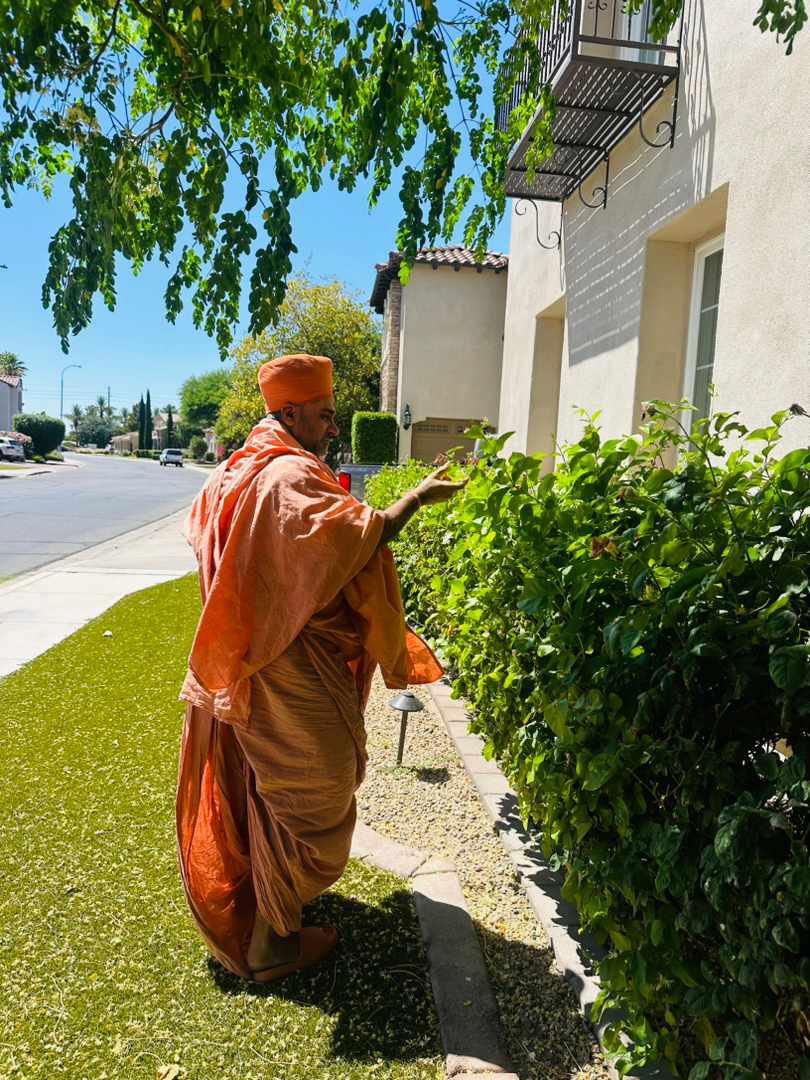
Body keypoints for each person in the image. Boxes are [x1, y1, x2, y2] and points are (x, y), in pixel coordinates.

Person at [176, 353, 465, 984]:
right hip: (283, 666)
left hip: (256, 659)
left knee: (277, 791)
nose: (334, 428)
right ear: (289, 411)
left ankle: (273, 911)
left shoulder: (238, 469)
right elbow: (360, 532)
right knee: (316, 795)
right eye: (327, 415)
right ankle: (271, 947)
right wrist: (420, 495)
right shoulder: (284, 477)